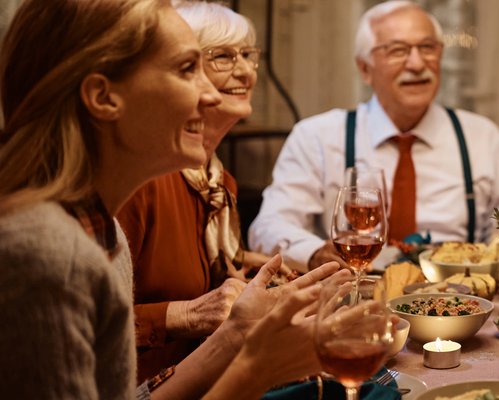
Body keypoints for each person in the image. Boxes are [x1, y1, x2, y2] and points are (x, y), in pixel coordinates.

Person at [0, 0, 338, 398]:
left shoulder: (105, 233)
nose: (212, 96)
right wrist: (255, 367)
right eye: (186, 69)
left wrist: (238, 334)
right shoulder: (46, 257)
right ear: (103, 97)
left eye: (248, 57)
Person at [249, 0, 499, 271]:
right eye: (397, 50)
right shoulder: (317, 137)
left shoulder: (481, 136)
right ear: (365, 69)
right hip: (352, 299)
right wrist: (316, 253)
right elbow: (267, 227)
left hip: (457, 302)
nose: (417, 64)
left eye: (427, 48)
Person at [115, 0, 289, 381]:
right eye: (221, 57)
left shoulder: (218, 182)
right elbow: (92, 323)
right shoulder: (142, 181)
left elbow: (204, 276)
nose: (244, 71)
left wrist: (243, 262)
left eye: (247, 55)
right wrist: (189, 314)